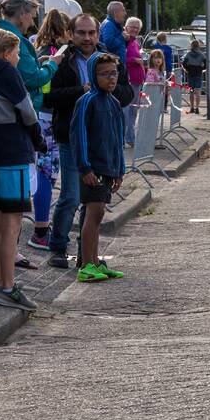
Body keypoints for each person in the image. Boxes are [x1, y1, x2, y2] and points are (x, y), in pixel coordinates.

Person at [44, 13, 134, 270]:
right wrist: (81, 91)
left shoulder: (109, 60)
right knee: (72, 196)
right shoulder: (62, 60)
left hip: (100, 141)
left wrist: (107, 84)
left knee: (94, 203)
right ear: (71, 34)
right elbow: (48, 97)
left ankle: (88, 258)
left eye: (91, 33)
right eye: (81, 33)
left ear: (98, 34)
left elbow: (127, 93)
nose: (86, 38)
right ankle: (58, 246)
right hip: (71, 137)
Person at [0, 28, 44, 310]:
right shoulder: (7, 73)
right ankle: (8, 286)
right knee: (12, 223)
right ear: (6, 53)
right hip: (13, 150)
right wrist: (37, 137)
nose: (18, 57)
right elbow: (26, 110)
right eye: (17, 52)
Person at [70, 52, 126, 282]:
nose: (111, 78)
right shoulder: (87, 101)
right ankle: (86, 264)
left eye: (114, 73)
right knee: (93, 214)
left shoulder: (114, 103)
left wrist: (119, 170)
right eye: (104, 74)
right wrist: (85, 168)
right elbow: (79, 136)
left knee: (99, 213)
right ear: (94, 75)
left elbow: (118, 139)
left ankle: (95, 262)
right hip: (92, 169)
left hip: (108, 168)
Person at [27, 9, 71, 250]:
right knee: (46, 171)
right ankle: (40, 230)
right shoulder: (55, 54)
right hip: (48, 118)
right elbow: (47, 89)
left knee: (46, 171)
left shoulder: (40, 50)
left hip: (42, 115)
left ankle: (42, 226)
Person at [123, 17, 145, 146]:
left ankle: (131, 137)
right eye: (132, 26)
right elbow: (121, 58)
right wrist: (134, 60)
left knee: (133, 111)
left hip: (137, 81)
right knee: (126, 111)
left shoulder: (136, 42)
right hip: (128, 80)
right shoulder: (124, 41)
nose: (134, 29)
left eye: (137, 27)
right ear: (126, 27)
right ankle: (125, 138)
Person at [181, 39, 206, 114]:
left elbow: (184, 63)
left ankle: (191, 107)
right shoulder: (201, 54)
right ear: (198, 46)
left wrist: (187, 69)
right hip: (198, 73)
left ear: (191, 46)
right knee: (197, 91)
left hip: (190, 74)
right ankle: (197, 108)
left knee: (191, 91)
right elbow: (206, 64)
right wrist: (201, 68)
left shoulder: (188, 54)